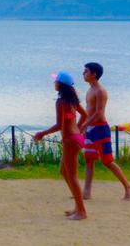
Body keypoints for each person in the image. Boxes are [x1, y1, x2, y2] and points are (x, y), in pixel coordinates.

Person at [33, 71, 88, 221]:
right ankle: (78, 207)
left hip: (71, 140)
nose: (54, 83)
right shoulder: (71, 101)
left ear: (61, 84)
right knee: (64, 172)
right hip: (76, 138)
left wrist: (42, 134)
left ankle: (82, 212)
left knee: (72, 176)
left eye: (55, 81)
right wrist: (79, 129)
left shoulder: (61, 102)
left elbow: (59, 124)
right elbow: (84, 115)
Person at [81, 62, 130, 201]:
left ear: (94, 74)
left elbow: (99, 113)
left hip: (100, 129)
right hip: (90, 129)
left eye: (85, 71)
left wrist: (85, 124)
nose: (83, 73)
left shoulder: (100, 91)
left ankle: (127, 187)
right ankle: (86, 192)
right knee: (89, 160)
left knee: (107, 161)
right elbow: (88, 111)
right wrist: (84, 126)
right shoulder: (89, 90)